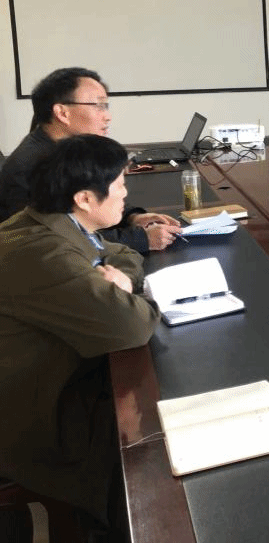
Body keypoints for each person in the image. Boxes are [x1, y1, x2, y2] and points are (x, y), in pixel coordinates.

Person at [0, 134, 160, 538]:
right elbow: (132, 327)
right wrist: (124, 292)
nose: (125, 193)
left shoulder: (51, 221)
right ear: (85, 198)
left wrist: (119, 281)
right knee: (150, 439)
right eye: (120, 183)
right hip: (37, 417)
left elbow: (120, 254)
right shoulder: (45, 253)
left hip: (46, 375)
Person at [0, 67, 180, 250]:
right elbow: (57, 238)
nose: (107, 117)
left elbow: (94, 196)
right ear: (62, 113)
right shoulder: (31, 167)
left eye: (106, 106)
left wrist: (132, 217)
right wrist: (141, 239)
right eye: (98, 106)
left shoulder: (67, 152)